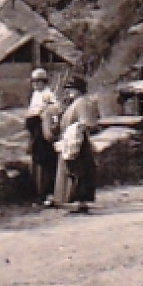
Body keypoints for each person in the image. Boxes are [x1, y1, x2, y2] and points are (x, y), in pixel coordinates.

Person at [54, 75, 101, 214]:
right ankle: (74, 202)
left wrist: (75, 134)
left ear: (79, 90)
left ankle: (80, 202)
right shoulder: (73, 104)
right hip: (71, 140)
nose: (69, 92)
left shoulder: (81, 103)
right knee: (73, 171)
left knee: (78, 172)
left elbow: (85, 122)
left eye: (71, 89)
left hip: (78, 142)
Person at [24, 68, 62, 205]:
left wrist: (44, 112)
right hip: (35, 133)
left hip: (43, 133)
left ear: (43, 82)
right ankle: (39, 194)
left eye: (38, 81)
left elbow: (55, 111)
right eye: (33, 81)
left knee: (46, 164)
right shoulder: (35, 94)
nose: (35, 84)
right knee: (37, 163)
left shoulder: (48, 95)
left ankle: (48, 194)